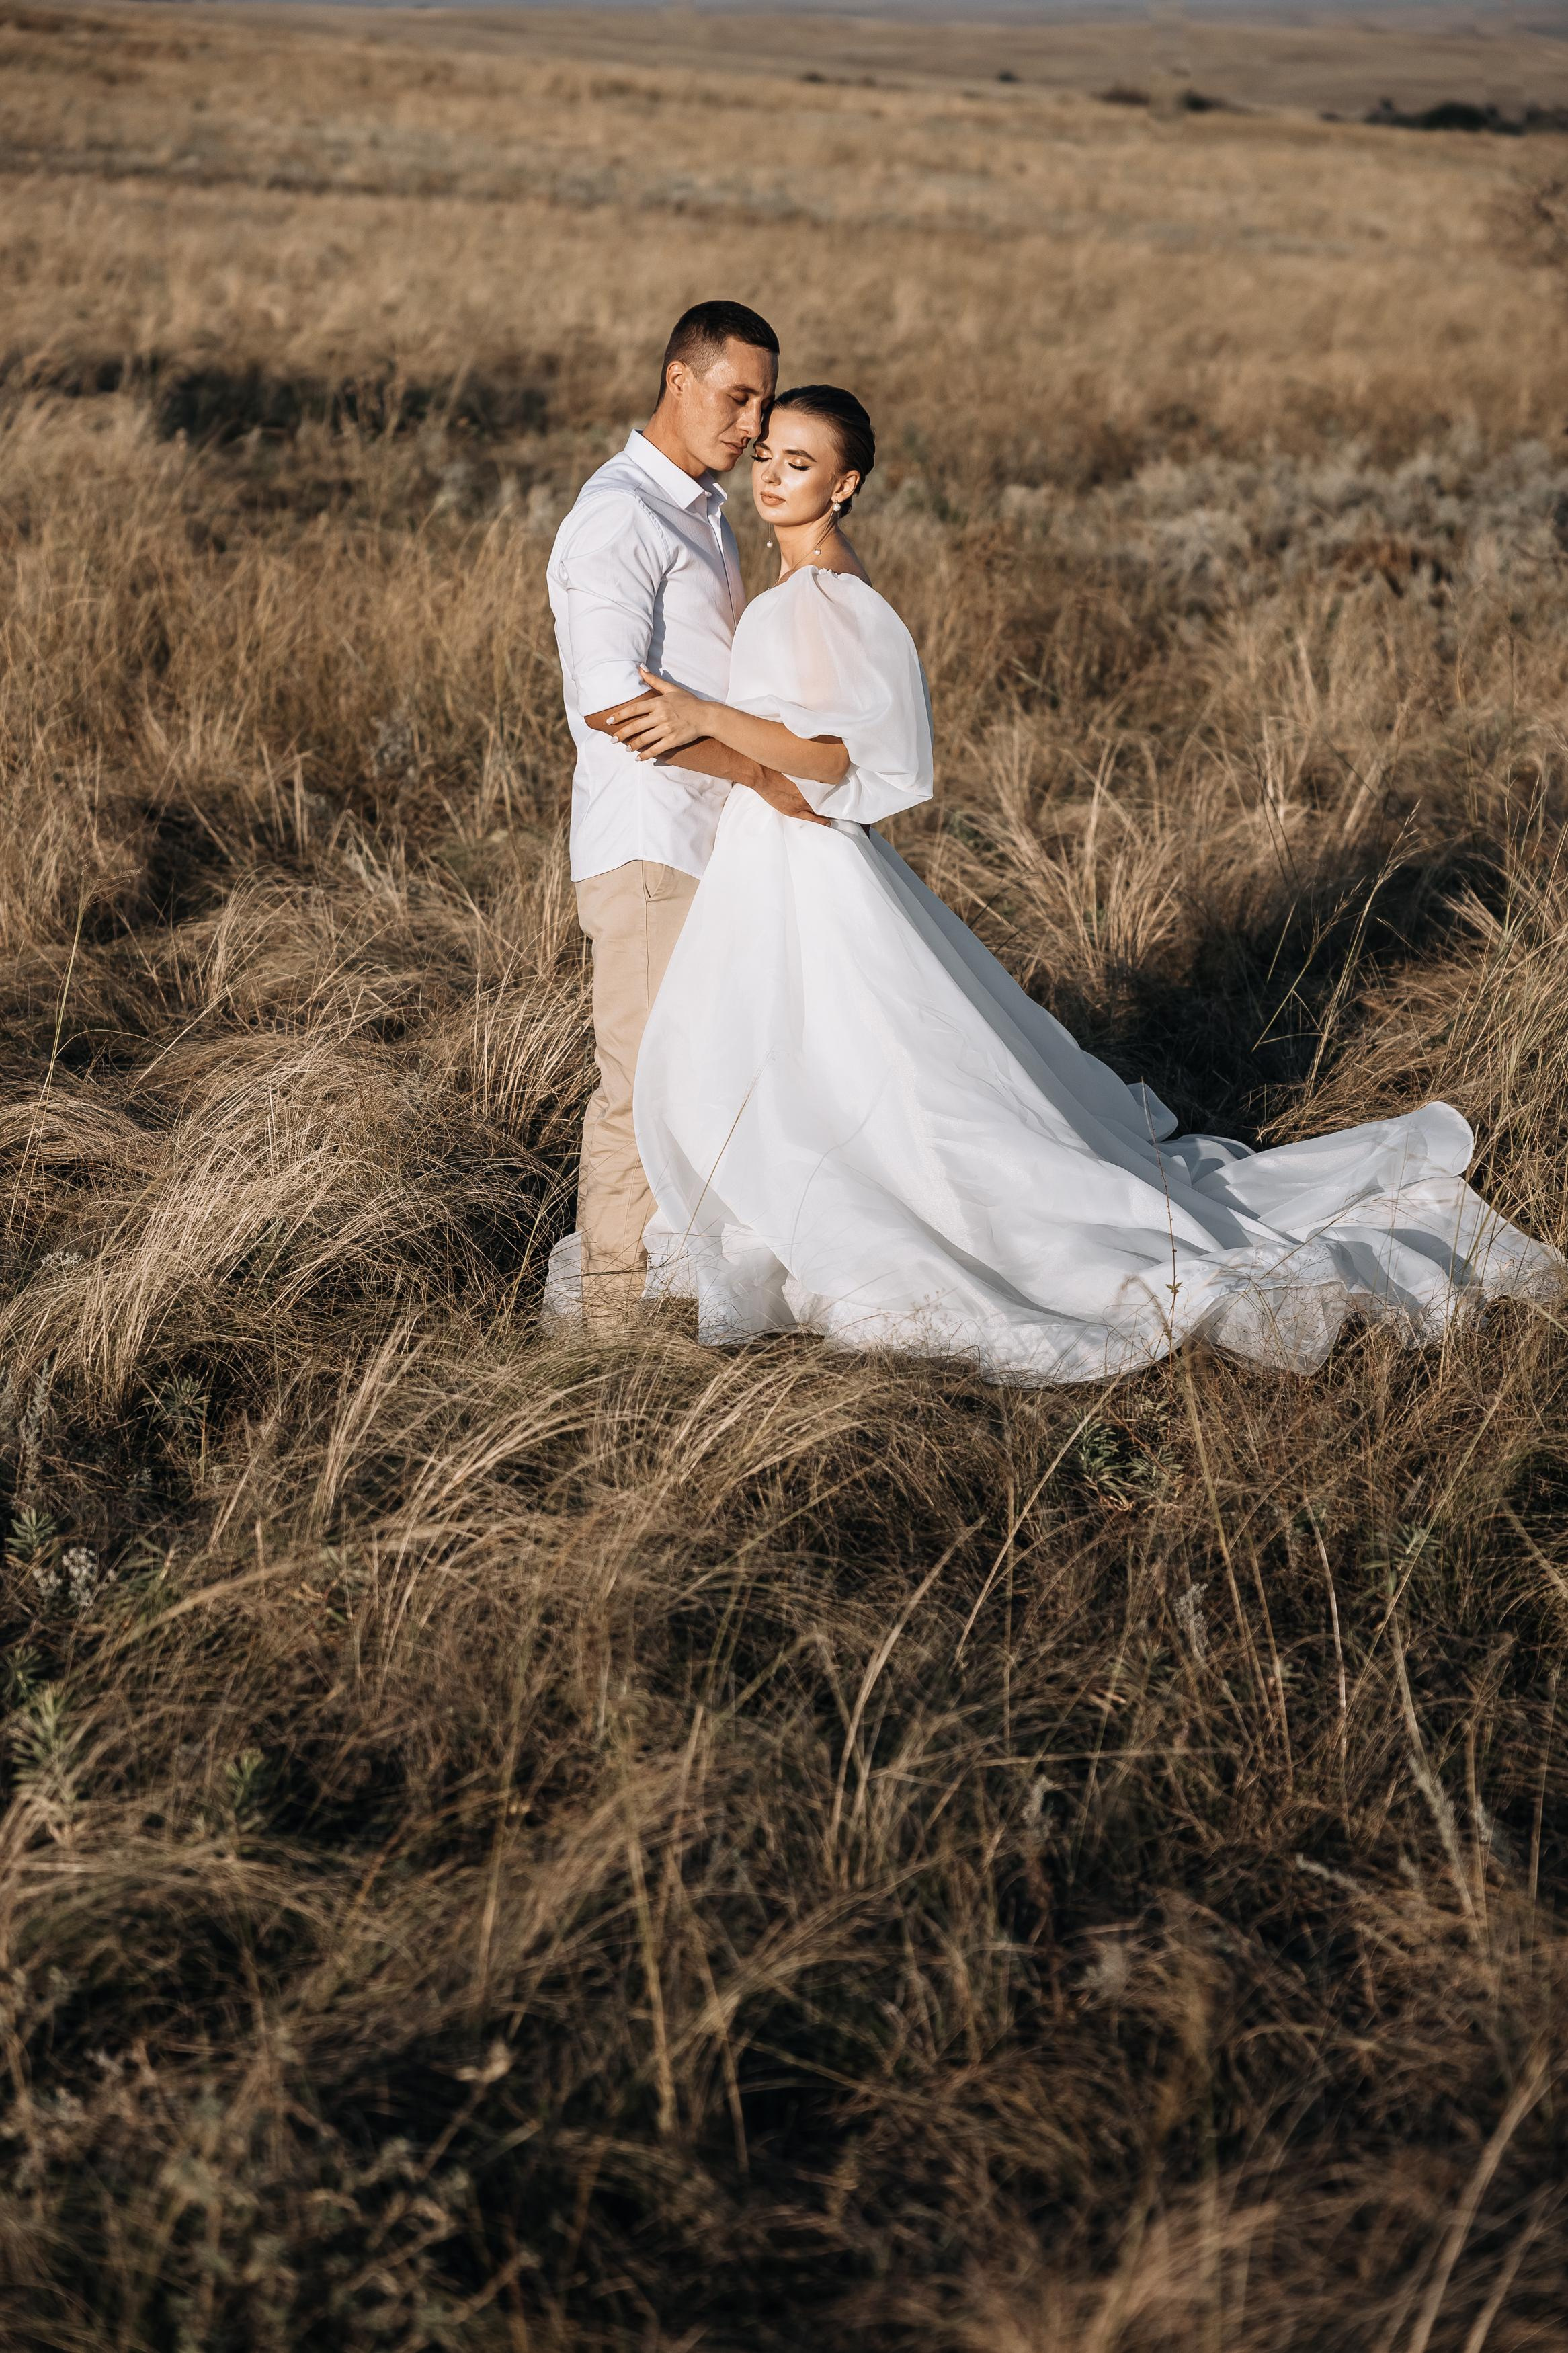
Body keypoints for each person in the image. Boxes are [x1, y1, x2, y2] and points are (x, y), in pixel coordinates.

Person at [548, 384, 1560, 1382]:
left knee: (856, 1069)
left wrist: (708, 722)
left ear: (845, 484)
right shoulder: (785, 586)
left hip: (797, 857)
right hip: (769, 855)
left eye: (799, 463)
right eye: (767, 456)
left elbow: (834, 758)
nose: (771, 476)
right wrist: (742, 757)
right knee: (794, 1063)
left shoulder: (825, 595)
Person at [546, 300, 824, 1331]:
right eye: (736, 397)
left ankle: (678, 1301)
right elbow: (609, 700)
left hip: (708, 846)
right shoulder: (620, 512)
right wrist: (757, 776)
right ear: (679, 379)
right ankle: (608, 1337)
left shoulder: (699, 512)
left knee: (700, 1087)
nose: (751, 425)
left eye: (762, 406)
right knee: (638, 1091)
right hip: (648, 845)